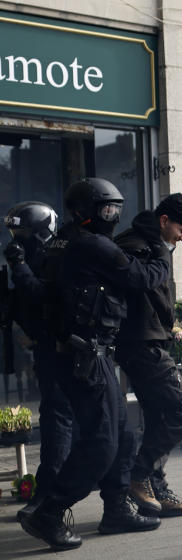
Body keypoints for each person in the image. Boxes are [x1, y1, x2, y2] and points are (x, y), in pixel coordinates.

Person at [19, 178, 170, 551]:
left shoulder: (60, 241)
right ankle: (50, 511)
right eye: (107, 209)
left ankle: (117, 507)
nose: (113, 216)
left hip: (77, 352)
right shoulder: (92, 245)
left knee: (123, 430)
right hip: (83, 355)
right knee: (101, 442)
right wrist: (160, 246)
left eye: (117, 209)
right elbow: (144, 277)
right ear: (85, 211)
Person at [114, 193, 182, 518]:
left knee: (158, 416)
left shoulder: (152, 245)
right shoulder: (138, 245)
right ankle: (138, 475)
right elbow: (139, 285)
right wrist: (163, 254)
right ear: (164, 221)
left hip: (151, 341)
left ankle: (156, 488)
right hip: (141, 344)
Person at [3, 202, 78, 519]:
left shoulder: (55, 257)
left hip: (67, 351)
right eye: (13, 234)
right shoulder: (33, 255)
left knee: (60, 419)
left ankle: (50, 495)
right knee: (56, 417)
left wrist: (18, 266)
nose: (15, 240)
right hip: (46, 349)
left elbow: (39, 294)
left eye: (21, 233)